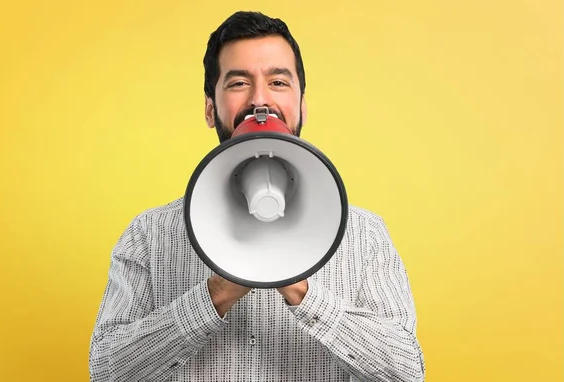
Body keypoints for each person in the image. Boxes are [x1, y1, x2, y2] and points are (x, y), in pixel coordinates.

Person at [89, 11, 426, 382]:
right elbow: (105, 371)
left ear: (302, 105)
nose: (260, 101)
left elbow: (407, 372)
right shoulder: (149, 235)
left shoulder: (364, 235)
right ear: (209, 108)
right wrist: (215, 294)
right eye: (238, 83)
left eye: (279, 82)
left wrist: (301, 290)